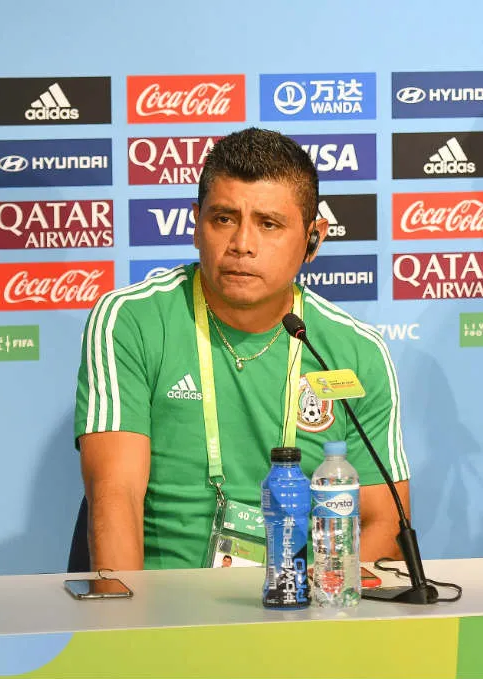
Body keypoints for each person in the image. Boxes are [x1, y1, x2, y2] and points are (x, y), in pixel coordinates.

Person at [75, 128, 410, 571]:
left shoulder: (354, 350)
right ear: (196, 224)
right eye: (223, 219)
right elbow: (113, 497)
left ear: (314, 239)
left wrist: (312, 610)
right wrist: (134, 632)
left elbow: (381, 522)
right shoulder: (131, 319)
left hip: (300, 613)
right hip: (165, 615)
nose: (242, 244)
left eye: (269, 224)